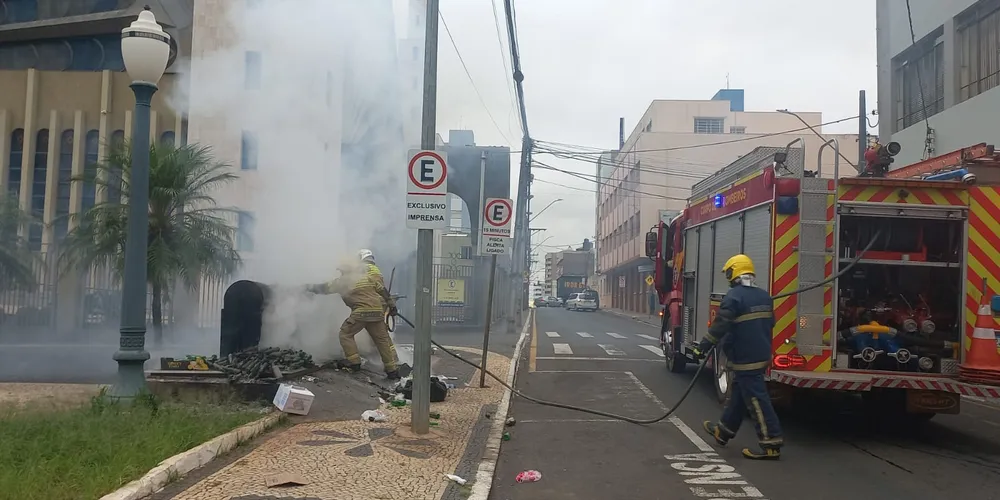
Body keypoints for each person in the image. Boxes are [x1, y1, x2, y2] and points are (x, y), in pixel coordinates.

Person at [694, 254, 783, 460]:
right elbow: (770, 323)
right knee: (739, 395)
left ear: (734, 273)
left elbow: (721, 325)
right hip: (760, 354)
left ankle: (771, 443)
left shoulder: (734, 297)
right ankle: (723, 431)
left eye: (728, 274)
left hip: (745, 357)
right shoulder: (764, 296)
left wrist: (703, 346)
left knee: (757, 399)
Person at [306, 249, 401, 380]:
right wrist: (392, 306)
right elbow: (383, 291)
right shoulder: (366, 277)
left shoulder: (342, 281)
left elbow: (323, 288)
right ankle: (392, 371)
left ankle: (354, 363)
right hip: (377, 312)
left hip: (361, 313)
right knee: (382, 340)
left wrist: (307, 287)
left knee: (345, 334)